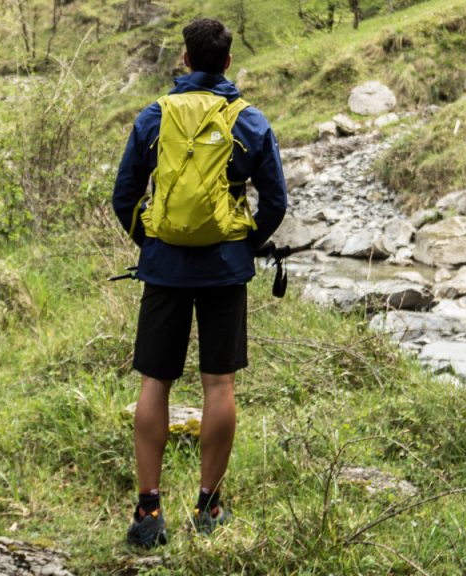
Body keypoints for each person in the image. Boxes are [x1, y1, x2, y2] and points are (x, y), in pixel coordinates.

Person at [112, 18, 288, 547]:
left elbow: (124, 197)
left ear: (184, 60)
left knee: (154, 383)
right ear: (228, 62)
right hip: (225, 270)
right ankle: (208, 506)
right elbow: (276, 202)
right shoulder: (249, 120)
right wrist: (244, 245)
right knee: (219, 384)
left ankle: (148, 513)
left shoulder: (154, 117)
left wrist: (154, 244)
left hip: (164, 268)